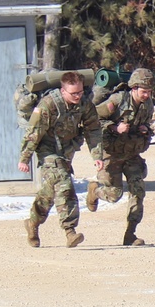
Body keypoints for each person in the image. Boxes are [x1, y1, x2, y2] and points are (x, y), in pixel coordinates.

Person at [19, 71, 104, 248]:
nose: (78, 96)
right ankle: (70, 231)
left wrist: (97, 156)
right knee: (64, 183)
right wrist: (24, 158)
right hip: (46, 149)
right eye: (73, 93)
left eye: (80, 92)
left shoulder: (84, 104)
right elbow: (34, 133)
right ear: (63, 90)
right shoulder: (49, 104)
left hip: (66, 150)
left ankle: (32, 223)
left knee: (50, 192)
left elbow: (93, 130)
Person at [86, 68, 155, 246]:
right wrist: (113, 127)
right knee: (114, 194)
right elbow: (93, 120)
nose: (147, 95)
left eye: (149, 91)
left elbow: (146, 123)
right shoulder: (117, 101)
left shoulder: (147, 104)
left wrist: (145, 130)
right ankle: (95, 191)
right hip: (111, 153)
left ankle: (130, 233)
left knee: (138, 191)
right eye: (143, 91)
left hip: (131, 153)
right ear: (133, 88)